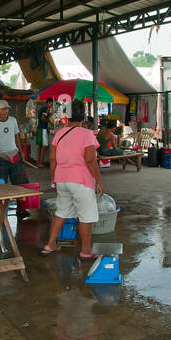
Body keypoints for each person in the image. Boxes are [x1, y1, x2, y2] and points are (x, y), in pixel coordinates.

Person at [46, 104, 101, 259]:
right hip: (81, 180)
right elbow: (91, 160)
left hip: (62, 179)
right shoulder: (87, 134)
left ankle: (50, 244)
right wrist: (99, 181)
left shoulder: (59, 133)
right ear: (83, 117)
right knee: (86, 216)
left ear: (67, 117)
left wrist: (53, 178)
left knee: (61, 211)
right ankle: (85, 251)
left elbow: (52, 159)